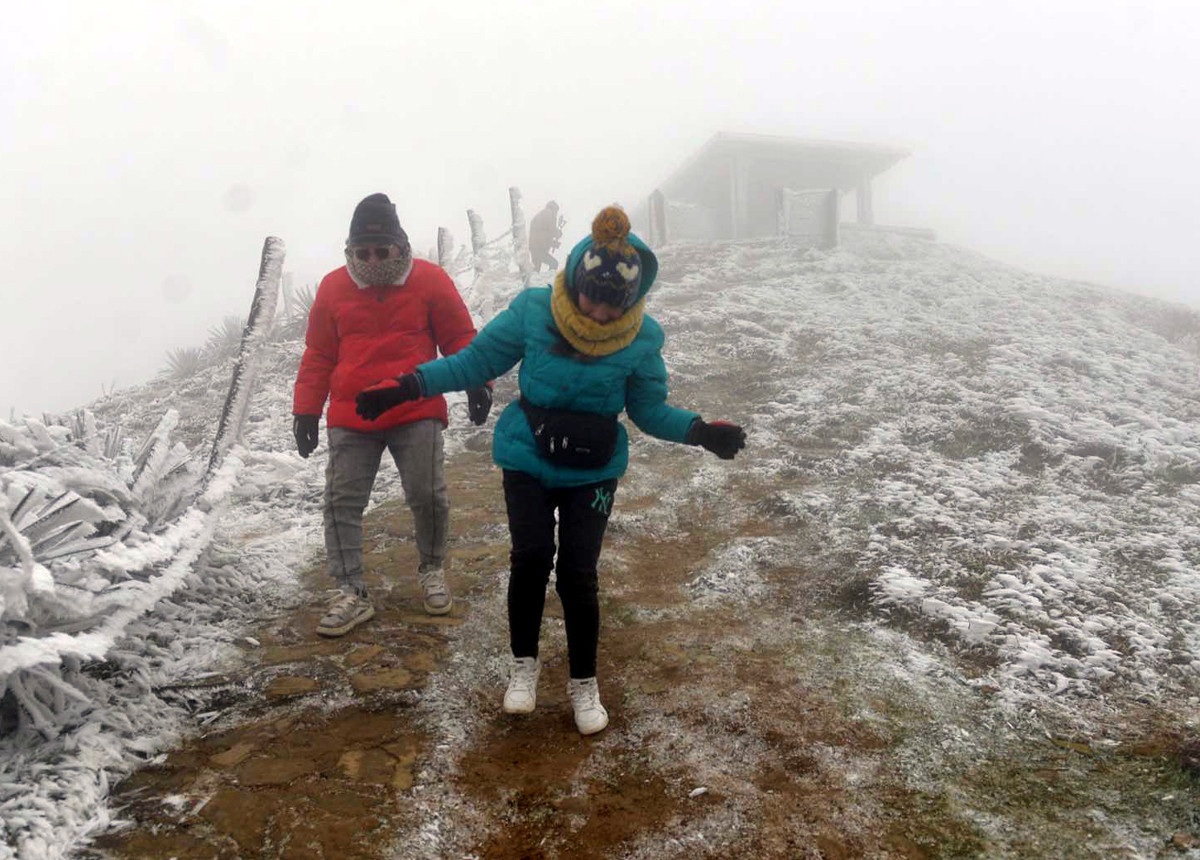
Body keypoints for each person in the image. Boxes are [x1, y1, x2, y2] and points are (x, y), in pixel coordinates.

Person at [355, 206, 746, 735]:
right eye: (593, 299)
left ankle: (585, 682)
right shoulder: (534, 311)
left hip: (594, 469)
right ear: (577, 281)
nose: (601, 315)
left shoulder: (642, 338)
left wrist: (700, 431)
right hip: (528, 457)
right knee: (532, 557)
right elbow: (474, 362)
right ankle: (524, 668)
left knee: (579, 575)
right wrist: (409, 385)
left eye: (614, 306)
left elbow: (648, 410)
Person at [292, 192, 494, 638]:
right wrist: (306, 410)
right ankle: (350, 591)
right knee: (341, 501)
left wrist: (479, 380)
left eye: (382, 249)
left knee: (426, 493)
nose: (372, 259)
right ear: (349, 251)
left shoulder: (431, 281)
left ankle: (432, 569)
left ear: (400, 247)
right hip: (352, 412)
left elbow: (460, 336)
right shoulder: (331, 288)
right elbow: (319, 354)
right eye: (361, 251)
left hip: (415, 403)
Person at [528, 201, 564, 273]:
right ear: (553, 209)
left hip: (535, 247)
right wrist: (556, 235)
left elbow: (544, 233)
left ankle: (532, 281)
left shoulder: (542, 215)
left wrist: (552, 241)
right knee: (554, 264)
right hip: (538, 248)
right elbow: (549, 231)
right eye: (556, 211)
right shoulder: (548, 215)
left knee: (536, 269)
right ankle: (549, 280)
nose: (556, 214)